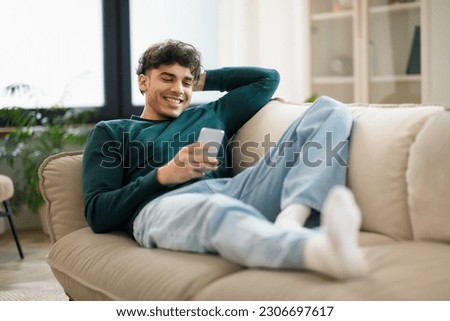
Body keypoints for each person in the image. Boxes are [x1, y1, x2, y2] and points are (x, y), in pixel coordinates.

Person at [82, 39, 368, 280]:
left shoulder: (212, 113)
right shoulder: (113, 132)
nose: (179, 90)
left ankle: (293, 217)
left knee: (331, 110)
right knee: (215, 208)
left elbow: (267, 79)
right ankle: (313, 251)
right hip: (161, 207)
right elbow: (98, 213)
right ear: (143, 81)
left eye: (187, 82)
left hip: (236, 191)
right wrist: (161, 176)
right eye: (167, 78)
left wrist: (200, 77)